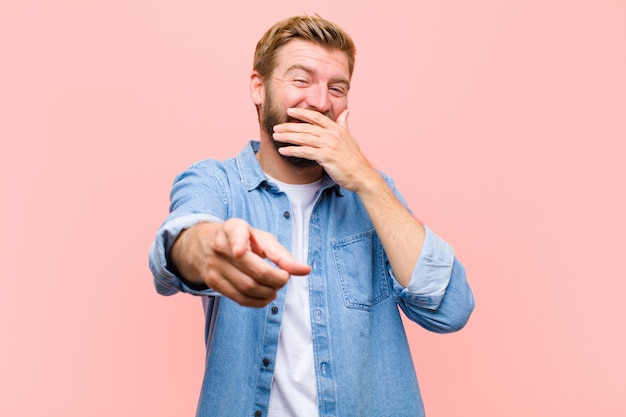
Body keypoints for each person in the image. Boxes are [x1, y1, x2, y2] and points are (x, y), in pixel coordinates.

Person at [149, 15, 474, 417]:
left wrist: (366, 180)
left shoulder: (374, 193)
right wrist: (209, 250)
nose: (320, 102)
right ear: (259, 86)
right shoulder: (217, 183)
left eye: (336, 88)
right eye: (300, 81)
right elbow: (178, 245)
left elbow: (451, 308)